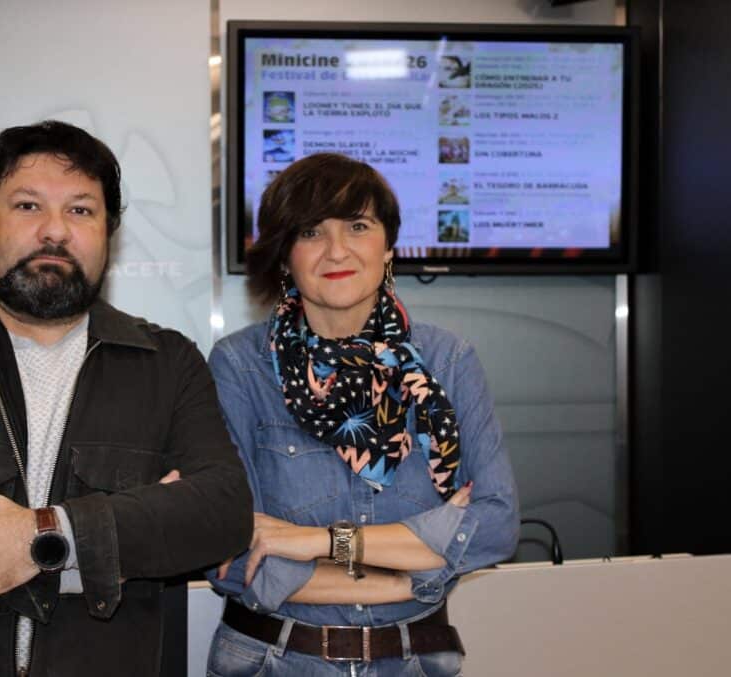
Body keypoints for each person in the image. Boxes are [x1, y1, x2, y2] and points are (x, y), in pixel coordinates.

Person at [0, 120, 252, 676]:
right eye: (28, 206)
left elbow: (220, 512)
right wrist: (108, 548)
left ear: (109, 233)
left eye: (80, 210)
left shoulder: (166, 361)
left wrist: (42, 541)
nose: (55, 230)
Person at [205, 153, 518, 676]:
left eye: (357, 226)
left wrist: (320, 542)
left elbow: (495, 526)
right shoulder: (239, 366)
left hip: (414, 662)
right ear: (285, 255)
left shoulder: (448, 360)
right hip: (275, 661)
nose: (337, 250)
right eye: (311, 232)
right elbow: (234, 557)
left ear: (388, 245)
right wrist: (415, 573)